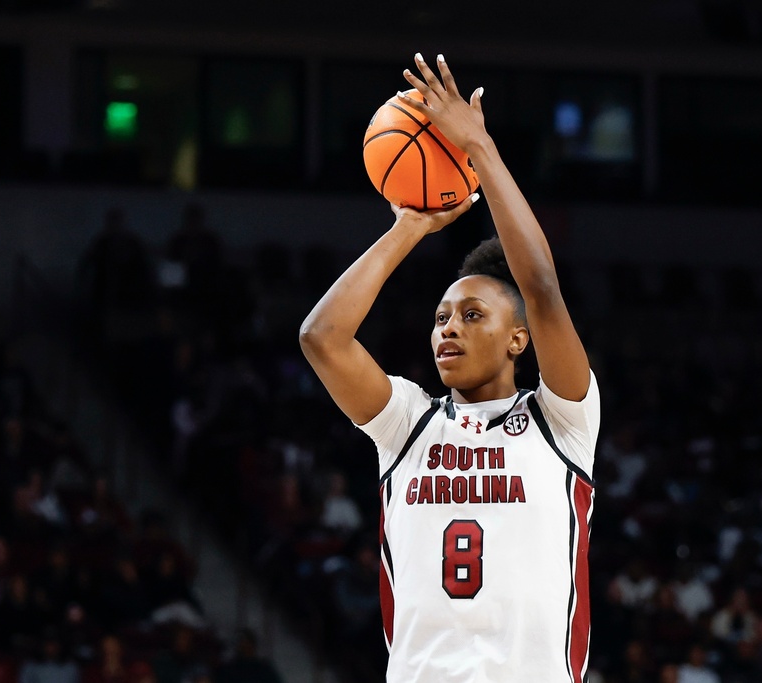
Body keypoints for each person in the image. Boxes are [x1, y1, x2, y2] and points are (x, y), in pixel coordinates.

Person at [299, 53, 600, 682]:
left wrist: (480, 151)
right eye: (440, 318)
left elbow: (540, 285)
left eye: (470, 315)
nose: (448, 330)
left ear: (520, 339)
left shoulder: (563, 421)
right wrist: (410, 227)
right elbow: (322, 338)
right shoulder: (408, 423)